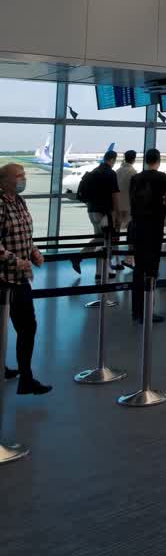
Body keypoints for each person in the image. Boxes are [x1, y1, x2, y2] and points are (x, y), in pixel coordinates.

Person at [0, 162, 51, 394]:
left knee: (27, 327)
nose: (23, 179)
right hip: (4, 277)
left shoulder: (19, 201)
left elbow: (24, 234)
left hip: (20, 278)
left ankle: (25, 376)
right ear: (5, 180)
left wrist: (33, 252)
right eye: (19, 176)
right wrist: (14, 260)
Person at [129, 149, 166, 324]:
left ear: (146, 160)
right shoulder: (163, 178)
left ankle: (136, 310)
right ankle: (147, 310)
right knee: (152, 269)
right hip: (153, 227)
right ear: (158, 160)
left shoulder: (135, 178)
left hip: (136, 226)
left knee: (138, 269)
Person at [71, 149, 120, 281]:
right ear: (113, 160)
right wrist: (116, 214)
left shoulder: (93, 172)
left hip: (91, 210)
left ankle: (100, 272)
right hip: (104, 212)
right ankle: (79, 256)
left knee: (100, 241)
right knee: (103, 240)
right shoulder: (111, 173)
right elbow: (114, 195)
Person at [115, 149, 137, 269]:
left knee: (116, 234)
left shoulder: (117, 171)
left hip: (117, 206)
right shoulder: (133, 172)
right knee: (131, 234)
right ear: (133, 159)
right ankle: (129, 259)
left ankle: (117, 260)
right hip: (129, 207)